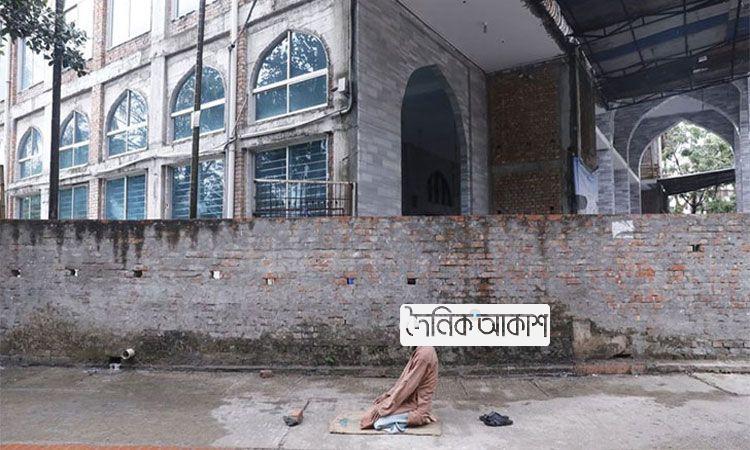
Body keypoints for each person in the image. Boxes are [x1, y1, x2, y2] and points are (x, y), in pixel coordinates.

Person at [360, 346, 439, 431]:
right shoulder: (420, 350)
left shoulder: (424, 354)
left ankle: (423, 417)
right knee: (371, 413)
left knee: (377, 423)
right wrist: (388, 395)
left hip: (417, 406)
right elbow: (403, 380)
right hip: (409, 399)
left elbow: (407, 385)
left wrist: (386, 406)